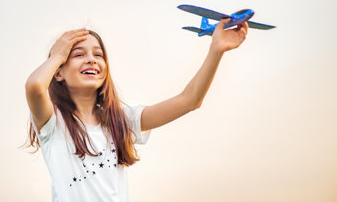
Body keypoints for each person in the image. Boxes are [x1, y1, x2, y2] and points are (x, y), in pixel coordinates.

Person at [24, 18, 248, 202]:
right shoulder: (53, 122)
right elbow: (34, 86)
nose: (91, 60)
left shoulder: (121, 121)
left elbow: (190, 100)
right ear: (58, 71)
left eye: (98, 55)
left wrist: (216, 50)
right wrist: (57, 55)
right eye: (78, 55)